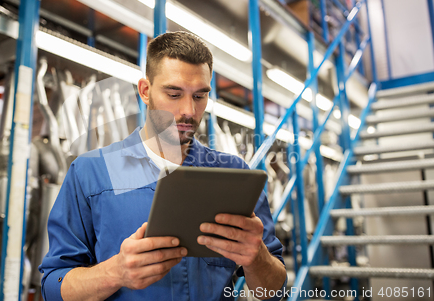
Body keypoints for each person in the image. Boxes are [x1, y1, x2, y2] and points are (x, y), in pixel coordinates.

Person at [39, 31, 287, 301]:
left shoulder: (235, 177)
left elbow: (273, 291)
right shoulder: (91, 174)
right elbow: (54, 286)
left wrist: (257, 257)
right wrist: (115, 272)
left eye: (199, 96)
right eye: (174, 94)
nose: (189, 111)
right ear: (145, 91)